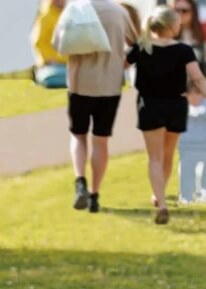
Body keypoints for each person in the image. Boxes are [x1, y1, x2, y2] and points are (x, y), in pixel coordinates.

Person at [128, 6, 206, 224]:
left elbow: (120, 66)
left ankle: (160, 201)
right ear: (171, 26)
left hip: (150, 105)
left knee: (154, 157)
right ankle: (159, 195)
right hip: (175, 106)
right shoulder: (183, 50)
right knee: (168, 154)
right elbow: (198, 79)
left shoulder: (141, 47)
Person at [53, 0, 138, 213]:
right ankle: (94, 194)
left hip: (79, 83)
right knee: (101, 140)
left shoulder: (74, 9)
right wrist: (122, 63)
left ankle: (80, 180)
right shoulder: (119, 11)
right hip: (110, 86)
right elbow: (138, 45)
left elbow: (57, 44)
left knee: (78, 135)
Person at [177, 79, 206, 204]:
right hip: (187, 147)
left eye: (198, 94)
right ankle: (186, 197)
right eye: (191, 94)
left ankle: (205, 196)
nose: (194, 97)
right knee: (186, 173)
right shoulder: (182, 106)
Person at [169, 0, 206, 77]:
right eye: (176, 10)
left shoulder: (199, 34)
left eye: (184, 11)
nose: (180, 14)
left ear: (193, 12)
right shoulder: (167, 35)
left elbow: (204, 65)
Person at [31, 0, 68, 88]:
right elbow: (39, 42)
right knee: (55, 76)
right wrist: (48, 59)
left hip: (68, 64)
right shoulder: (45, 17)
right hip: (52, 64)